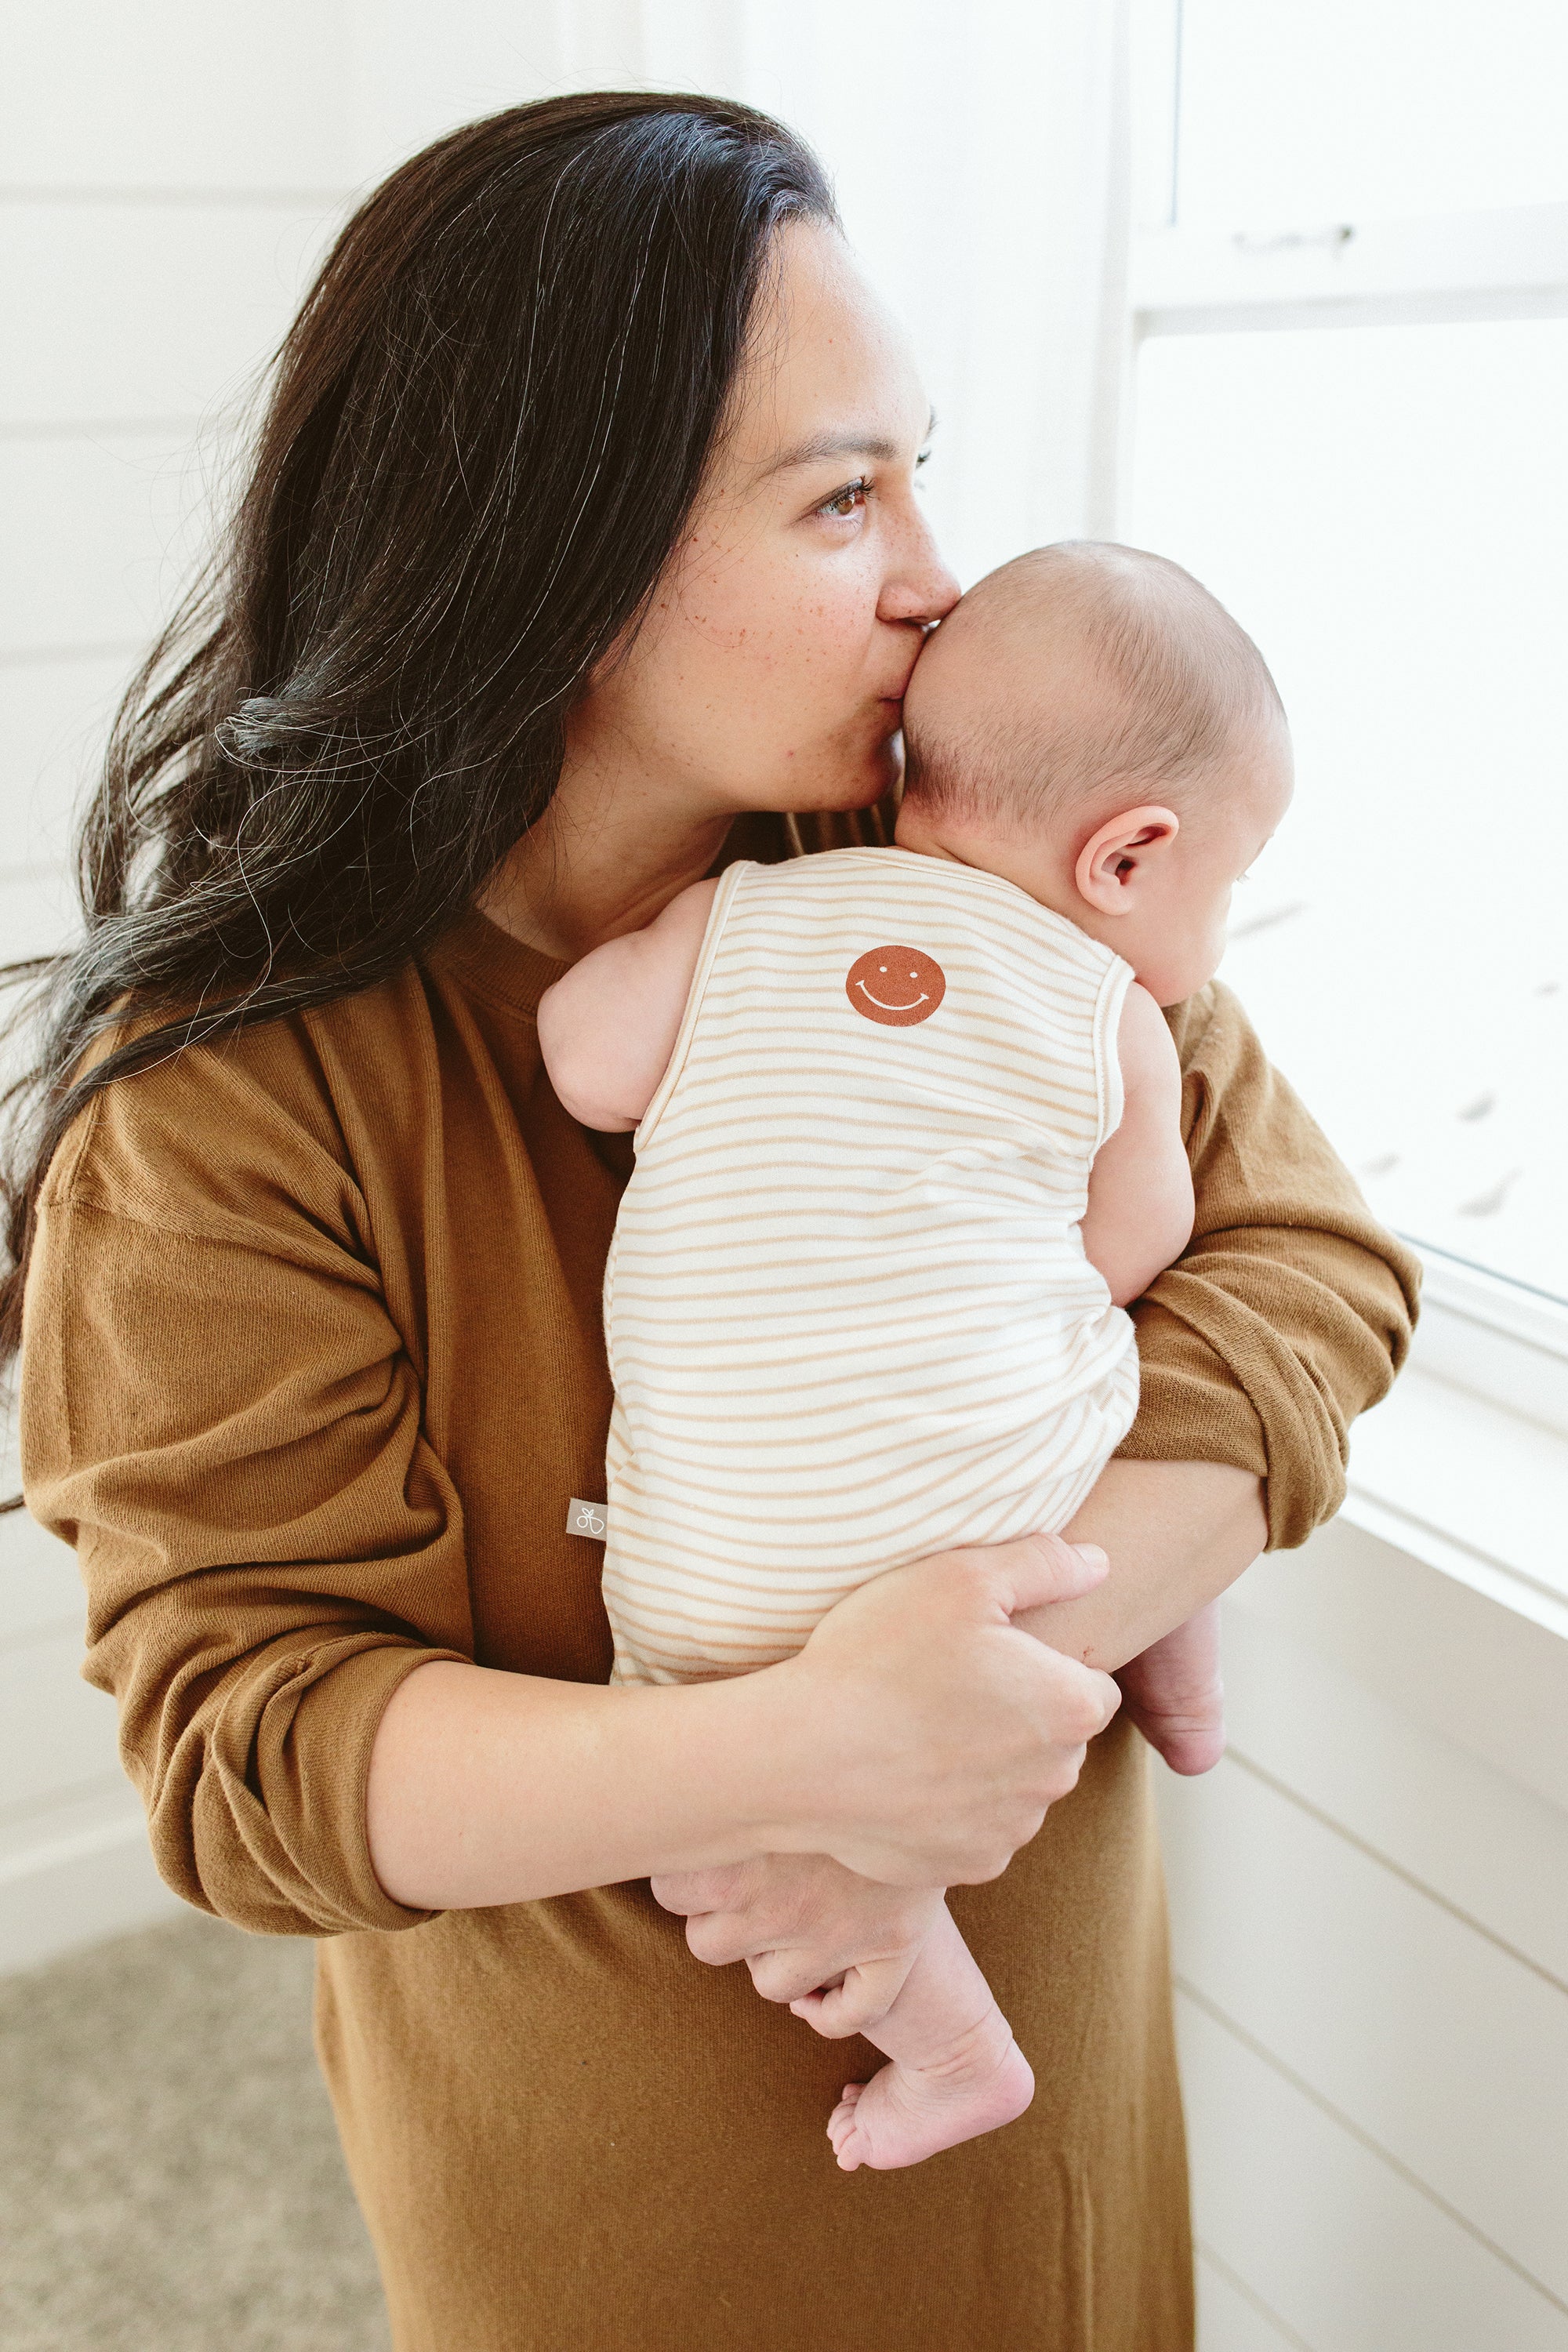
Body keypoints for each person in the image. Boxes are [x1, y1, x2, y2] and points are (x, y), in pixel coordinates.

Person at [2, 94, 1417, 2351]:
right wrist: (798, 1764)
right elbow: (253, 1750)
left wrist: (992, 1678)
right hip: (611, 2231)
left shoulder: (965, 880)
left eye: (920, 471)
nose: (943, 571)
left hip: (1048, 2151)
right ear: (551, 551)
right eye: (847, 494)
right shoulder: (228, 1107)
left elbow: (1311, 1269)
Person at [535, 540, 1292, 2173]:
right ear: (1129, 855)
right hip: (984, 1537)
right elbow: (1135, 1247)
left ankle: (947, 2045)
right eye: (1219, 895)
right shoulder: (1115, 1018)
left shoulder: (742, 915)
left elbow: (586, 1065)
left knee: (719, 1836)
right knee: (1106, 1365)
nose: (1209, 945)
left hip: (703, 1595)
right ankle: (1170, 1659)